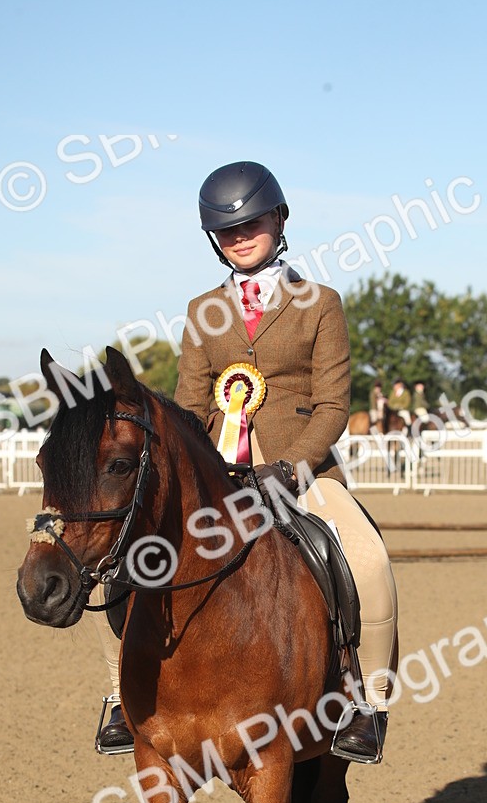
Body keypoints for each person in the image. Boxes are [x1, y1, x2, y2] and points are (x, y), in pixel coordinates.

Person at [95, 161, 399, 764]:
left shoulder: (320, 303)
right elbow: (186, 405)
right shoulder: (202, 310)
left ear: (278, 220)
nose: (240, 237)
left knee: (367, 557)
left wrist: (293, 467)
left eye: (251, 223)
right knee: (123, 560)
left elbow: (335, 403)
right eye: (227, 231)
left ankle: (367, 701)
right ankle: (118, 700)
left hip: (300, 469)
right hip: (214, 472)